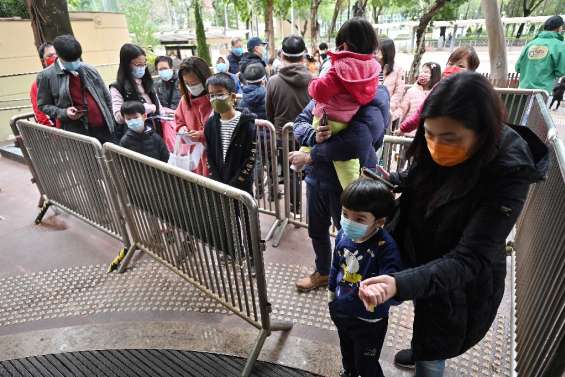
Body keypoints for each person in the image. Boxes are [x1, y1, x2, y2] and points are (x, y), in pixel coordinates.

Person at [358, 72, 548, 375]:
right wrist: (389, 180)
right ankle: (421, 348)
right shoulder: (440, 146)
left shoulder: (511, 171)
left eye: (449, 138)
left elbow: (470, 257)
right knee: (425, 316)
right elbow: (419, 174)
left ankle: (427, 358)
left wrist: (400, 283)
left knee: (435, 346)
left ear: (483, 132)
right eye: (429, 134)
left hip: (459, 280)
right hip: (423, 248)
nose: (435, 147)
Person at [290, 18, 390, 292]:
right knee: (316, 231)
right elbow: (300, 120)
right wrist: (312, 137)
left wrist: (311, 156)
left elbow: (357, 140)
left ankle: (348, 280)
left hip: (348, 183)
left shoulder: (375, 93)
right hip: (317, 180)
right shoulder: (332, 86)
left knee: (349, 236)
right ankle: (323, 271)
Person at [328, 178, 401, 377]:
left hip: (370, 321)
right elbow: (336, 264)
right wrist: (331, 295)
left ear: (379, 222)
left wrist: (381, 292)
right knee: (347, 353)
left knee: (366, 365)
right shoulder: (343, 234)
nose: (348, 222)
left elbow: (392, 282)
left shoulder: (386, 249)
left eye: (359, 219)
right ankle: (349, 372)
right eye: (345, 214)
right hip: (343, 310)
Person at [304, 34, 381, 189]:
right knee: (345, 163)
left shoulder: (341, 66)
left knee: (319, 147)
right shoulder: (372, 69)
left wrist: (313, 81)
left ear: (344, 45)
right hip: (347, 117)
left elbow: (320, 91)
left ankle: (352, 192)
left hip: (327, 116)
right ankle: (351, 190)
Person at [37, 34, 115, 143]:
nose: (74, 63)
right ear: (59, 56)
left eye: (77, 59)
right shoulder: (46, 76)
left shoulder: (89, 69)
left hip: (104, 128)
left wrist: (113, 121)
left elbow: (106, 97)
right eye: (70, 60)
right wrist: (64, 112)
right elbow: (43, 105)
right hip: (77, 134)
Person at [266, 35, 313, 214]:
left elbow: (269, 112)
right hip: (308, 137)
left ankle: (294, 208)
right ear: (303, 56)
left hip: (282, 137)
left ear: (282, 56)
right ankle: (306, 210)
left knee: (290, 172)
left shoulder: (273, 81)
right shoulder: (314, 80)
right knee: (309, 172)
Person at [400, 46, 480, 134]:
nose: (453, 68)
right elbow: (421, 112)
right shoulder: (439, 88)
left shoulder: (475, 95)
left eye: (461, 66)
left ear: (471, 71)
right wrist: (403, 128)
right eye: (450, 63)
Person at [203, 73, 257, 195]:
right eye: (212, 95)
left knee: (244, 213)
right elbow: (209, 155)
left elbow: (250, 158)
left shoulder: (247, 124)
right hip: (219, 185)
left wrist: (234, 184)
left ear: (232, 96)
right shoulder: (210, 125)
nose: (215, 99)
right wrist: (217, 182)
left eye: (220, 94)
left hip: (241, 186)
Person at [110, 43, 162, 142]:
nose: (142, 68)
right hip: (136, 139)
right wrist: (144, 108)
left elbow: (158, 106)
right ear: (126, 65)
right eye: (138, 65)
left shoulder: (147, 81)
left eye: (144, 64)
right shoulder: (118, 87)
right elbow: (118, 117)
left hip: (155, 134)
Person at [175, 57, 213, 176]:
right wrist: (183, 131)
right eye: (187, 83)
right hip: (195, 158)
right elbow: (179, 121)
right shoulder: (184, 100)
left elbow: (224, 127)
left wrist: (203, 135)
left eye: (195, 82)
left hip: (214, 157)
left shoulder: (215, 98)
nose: (192, 87)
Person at [516, 15, 565, 93]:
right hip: (543, 94)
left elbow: (517, 67)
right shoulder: (560, 46)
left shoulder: (530, 44)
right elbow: (561, 71)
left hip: (523, 92)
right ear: (558, 28)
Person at [396, 62, 441, 136]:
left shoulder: (437, 94)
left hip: (428, 135)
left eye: (426, 72)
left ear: (434, 75)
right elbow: (402, 109)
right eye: (421, 71)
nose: (422, 74)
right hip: (409, 134)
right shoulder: (412, 91)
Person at [376, 38, 405, 123]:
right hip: (373, 107)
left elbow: (398, 92)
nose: (376, 53)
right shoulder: (373, 66)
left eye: (379, 50)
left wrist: (387, 107)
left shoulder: (398, 69)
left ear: (386, 52)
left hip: (387, 110)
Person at [30, 42, 58, 126]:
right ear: (43, 61)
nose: (55, 57)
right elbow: (40, 113)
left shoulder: (71, 75)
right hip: (59, 132)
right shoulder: (37, 84)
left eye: (57, 54)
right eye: (50, 55)